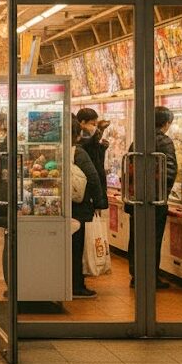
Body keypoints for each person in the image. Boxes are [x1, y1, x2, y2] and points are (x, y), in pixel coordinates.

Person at [127, 106, 177, 289]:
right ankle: (150, 277)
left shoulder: (139, 138)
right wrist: (164, 194)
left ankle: (136, 274)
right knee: (153, 239)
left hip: (135, 198)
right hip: (155, 199)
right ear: (165, 123)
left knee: (136, 238)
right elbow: (169, 170)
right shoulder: (164, 141)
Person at [71, 114, 107, 299]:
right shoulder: (78, 152)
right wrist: (99, 203)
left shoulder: (67, 151)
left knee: (71, 247)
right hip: (79, 206)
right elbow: (93, 177)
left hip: (69, 207)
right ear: (77, 134)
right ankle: (76, 284)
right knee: (76, 247)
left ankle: (72, 282)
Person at [76, 107, 109, 196]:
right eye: (92, 124)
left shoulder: (91, 139)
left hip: (95, 185)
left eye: (96, 124)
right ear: (82, 123)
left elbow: (98, 163)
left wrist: (102, 148)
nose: (95, 128)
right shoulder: (78, 140)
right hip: (86, 186)